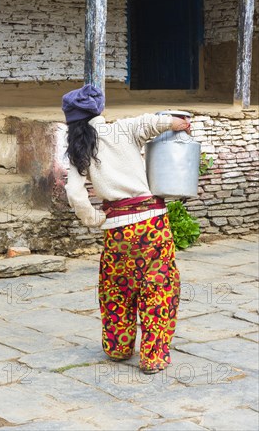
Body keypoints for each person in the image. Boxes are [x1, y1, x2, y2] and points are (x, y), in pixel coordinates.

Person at [62, 84, 191, 374]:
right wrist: (179, 123)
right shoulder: (122, 129)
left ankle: (119, 347)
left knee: (117, 288)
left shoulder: (80, 148)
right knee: (157, 287)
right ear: (99, 110)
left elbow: (74, 192)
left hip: (117, 231)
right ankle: (153, 356)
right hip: (152, 226)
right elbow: (154, 121)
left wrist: (95, 219)